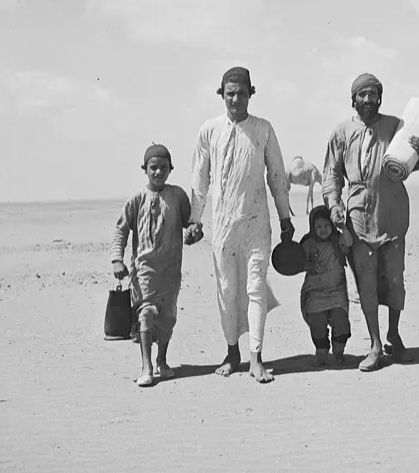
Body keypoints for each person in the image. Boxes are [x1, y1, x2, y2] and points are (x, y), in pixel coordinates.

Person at [188, 67, 295, 383]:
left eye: (242, 93)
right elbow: (200, 179)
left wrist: (285, 217)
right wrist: (194, 219)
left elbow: (277, 176)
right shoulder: (209, 130)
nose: (236, 99)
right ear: (221, 94)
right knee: (227, 290)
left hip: (257, 224)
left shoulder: (263, 129)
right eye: (230, 93)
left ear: (251, 94)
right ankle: (232, 351)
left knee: (255, 288)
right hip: (223, 227)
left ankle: (256, 358)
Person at [322, 72, 419, 372]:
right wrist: (334, 205)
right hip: (358, 217)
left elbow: (415, 161)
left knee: (395, 279)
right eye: (362, 94)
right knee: (366, 283)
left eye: (373, 94)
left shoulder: (396, 125)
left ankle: (394, 334)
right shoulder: (341, 132)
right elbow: (331, 175)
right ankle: (375, 344)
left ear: (380, 98)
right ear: (353, 99)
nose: (368, 99)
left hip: (393, 213)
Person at [111, 144, 197, 387]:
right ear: (145, 169)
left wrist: (194, 232)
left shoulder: (178, 196)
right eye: (153, 167)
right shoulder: (136, 199)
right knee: (146, 313)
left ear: (170, 169)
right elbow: (121, 229)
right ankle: (146, 366)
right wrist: (117, 259)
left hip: (170, 270)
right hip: (144, 270)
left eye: (163, 167)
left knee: (168, 317)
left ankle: (162, 360)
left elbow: (190, 223)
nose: (158, 172)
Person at [299, 205, 353, 365]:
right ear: (312, 227)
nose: (323, 229)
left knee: (341, 321)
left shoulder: (337, 240)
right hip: (315, 292)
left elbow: (349, 243)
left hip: (337, 291)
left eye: (327, 225)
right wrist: (309, 266)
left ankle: (338, 351)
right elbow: (297, 262)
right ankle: (321, 352)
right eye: (318, 226)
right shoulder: (308, 243)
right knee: (317, 323)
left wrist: (342, 228)